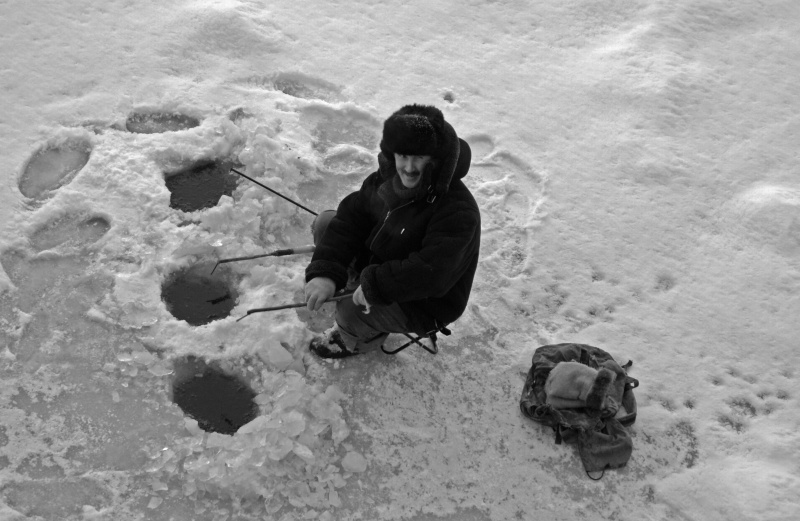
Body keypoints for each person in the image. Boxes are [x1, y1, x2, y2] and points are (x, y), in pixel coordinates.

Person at [304, 104, 481, 358]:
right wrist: (326, 271)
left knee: (350, 312)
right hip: (386, 260)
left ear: (436, 158)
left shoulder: (458, 211)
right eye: (403, 155)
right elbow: (351, 219)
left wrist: (377, 285)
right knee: (326, 222)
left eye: (419, 157)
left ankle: (356, 339)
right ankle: (346, 284)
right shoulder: (386, 178)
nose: (409, 167)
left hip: (422, 301)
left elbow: (432, 273)